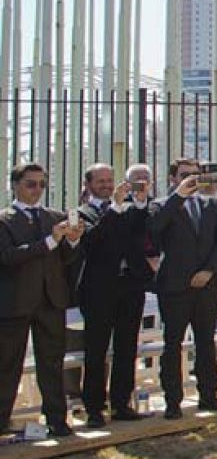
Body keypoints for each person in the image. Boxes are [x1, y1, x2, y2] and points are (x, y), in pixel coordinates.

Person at [0, 163, 83, 437]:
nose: (37, 190)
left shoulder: (54, 217)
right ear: (15, 185)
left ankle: (57, 420)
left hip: (50, 299)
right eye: (30, 184)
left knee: (52, 363)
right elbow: (8, 257)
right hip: (16, 302)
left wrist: (72, 241)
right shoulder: (4, 220)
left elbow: (67, 260)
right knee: (7, 365)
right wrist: (50, 241)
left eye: (41, 184)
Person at [147, 158, 217, 418]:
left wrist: (209, 270)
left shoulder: (212, 205)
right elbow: (154, 230)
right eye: (185, 175)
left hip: (206, 284)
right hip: (175, 286)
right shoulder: (161, 205)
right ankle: (173, 400)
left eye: (196, 174)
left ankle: (209, 395)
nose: (192, 179)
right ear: (173, 178)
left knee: (206, 340)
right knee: (173, 343)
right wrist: (178, 197)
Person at [72, 164, 147, 427]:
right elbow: (94, 241)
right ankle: (94, 407)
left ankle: (121, 403)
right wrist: (115, 208)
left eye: (109, 180)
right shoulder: (83, 213)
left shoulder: (125, 208)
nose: (106, 185)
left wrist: (138, 203)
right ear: (89, 184)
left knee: (127, 347)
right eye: (100, 181)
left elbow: (141, 234)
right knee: (96, 350)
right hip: (99, 290)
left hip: (129, 286)